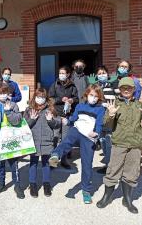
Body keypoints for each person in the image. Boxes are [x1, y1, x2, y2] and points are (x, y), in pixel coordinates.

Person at [49, 84, 105, 204]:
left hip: (89, 137)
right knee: (66, 142)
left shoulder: (100, 109)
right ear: (86, 95)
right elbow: (74, 119)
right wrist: (67, 121)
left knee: (87, 165)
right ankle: (55, 156)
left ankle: (86, 191)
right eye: (91, 95)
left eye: (96, 96)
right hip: (77, 130)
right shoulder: (79, 106)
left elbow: (99, 124)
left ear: (99, 98)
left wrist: (96, 133)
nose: (93, 98)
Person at [96, 77, 142, 214]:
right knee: (113, 170)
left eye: (129, 88)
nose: (126, 90)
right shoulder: (114, 104)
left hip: (135, 144)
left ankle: (127, 199)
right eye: (123, 88)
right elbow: (106, 125)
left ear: (133, 89)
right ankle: (107, 196)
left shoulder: (139, 106)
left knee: (132, 172)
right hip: (119, 143)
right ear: (120, 90)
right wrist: (110, 114)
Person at [0, 83, 25, 199]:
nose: (2, 95)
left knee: (14, 163)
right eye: (0, 93)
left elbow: (18, 120)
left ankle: (17, 186)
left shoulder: (13, 105)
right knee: (0, 163)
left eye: (4, 93)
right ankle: (1, 183)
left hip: (12, 138)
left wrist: (8, 112)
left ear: (8, 93)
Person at [24, 88, 60, 198]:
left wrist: (51, 120)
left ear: (46, 98)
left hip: (47, 141)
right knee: (33, 163)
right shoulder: (29, 109)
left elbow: (57, 125)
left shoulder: (51, 109)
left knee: (46, 163)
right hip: (33, 141)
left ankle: (46, 184)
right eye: (38, 96)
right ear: (34, 97)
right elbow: (24, 126)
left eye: (43, 97)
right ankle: (33, 184)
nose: (40, 99)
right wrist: (32, 119)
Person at [48, 65, 79, 169]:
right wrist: (61, 99)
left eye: (63, 73)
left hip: (67, 115)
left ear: (68, 74)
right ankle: (53, 160)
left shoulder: (72, 86)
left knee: (65, 139)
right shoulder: (54, 85)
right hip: (56, 114)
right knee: (55, 137)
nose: (61, 75)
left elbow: (76, 99)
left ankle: (64, 160)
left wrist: (71, 100)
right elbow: (51, 99)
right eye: (60, 73)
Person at [94, 66, 117, 174]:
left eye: (103, 73)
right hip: (99, 118)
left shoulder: (112, 85)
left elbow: (118, 98)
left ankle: (112, 167)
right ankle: (108, 165)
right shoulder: (95, 86)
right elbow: (92, 100)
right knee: (102, 141)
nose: (101, 75)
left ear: (107, 74)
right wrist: (100, 103)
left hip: (109, 118)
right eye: (99, 73)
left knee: (109, 142)